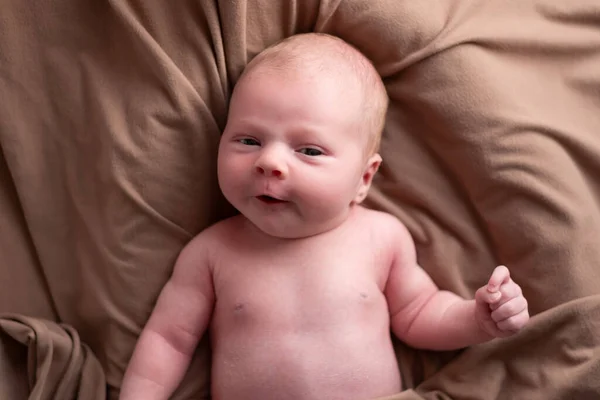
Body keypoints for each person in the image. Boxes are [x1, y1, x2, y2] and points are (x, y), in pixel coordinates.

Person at [120, 33, 529, 400]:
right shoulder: (211, 252)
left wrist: (477, 319)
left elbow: (419, 313)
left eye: (309, 150)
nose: (269, 161)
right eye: (248, 140)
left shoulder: (380, 237)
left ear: (363, 179)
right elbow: (169, 339)